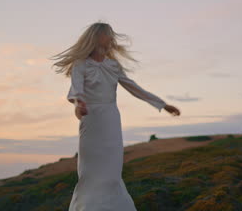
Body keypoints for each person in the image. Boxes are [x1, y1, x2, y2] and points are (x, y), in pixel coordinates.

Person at [50, 22, 181, 210]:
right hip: (91, 119)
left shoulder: (113, 65)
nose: (112, 38)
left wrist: (162, 104)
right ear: (96, 37)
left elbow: (134, 87)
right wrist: (78, 106)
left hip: (111, 118)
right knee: (91, 172)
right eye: (108, 34)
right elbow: (77, 90)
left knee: (111, 173)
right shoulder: (81, 64)